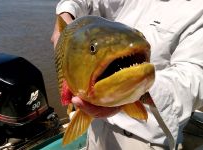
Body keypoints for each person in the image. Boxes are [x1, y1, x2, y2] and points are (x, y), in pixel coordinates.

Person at [51, 0, 203, 150]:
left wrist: (139, 91)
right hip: (97, 127)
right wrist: (66, 13)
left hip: (144, 139)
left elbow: (195, 78)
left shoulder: (198, 10)